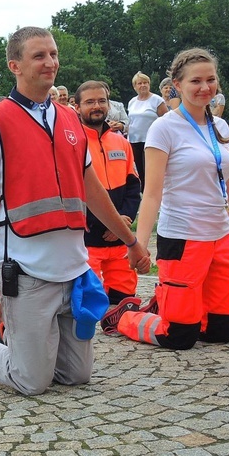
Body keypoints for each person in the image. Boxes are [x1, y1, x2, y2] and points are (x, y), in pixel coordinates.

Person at [0, 27, 150, 396]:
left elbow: (92, 190)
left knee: (76, 375)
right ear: (15, 65)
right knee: (31, 380)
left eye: (54, 54)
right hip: (26, 272)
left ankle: (16, 337)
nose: (51, 62)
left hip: (74, 271)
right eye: (39, 56)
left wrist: (131, 241)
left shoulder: (69, 118)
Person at [101, 48, 229, 349]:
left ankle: (170, 303)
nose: (205, 87)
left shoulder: (220, 127)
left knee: (220, 332)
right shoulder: (164, 128)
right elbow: (153, 194)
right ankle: (126, 316)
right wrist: (138, 245)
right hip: (183, 238)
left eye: (211, 80)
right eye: (196, 81)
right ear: (177, 85)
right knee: (179, 336)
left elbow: (228, 191)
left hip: (220, 236)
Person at [75, 81, 141, 304]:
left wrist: (124, 219)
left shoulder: (121, 142)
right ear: (77, 107)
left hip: (119, 242)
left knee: (125, 301)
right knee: (90, 304)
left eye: (102, 101)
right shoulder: (73, 144)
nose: (97, 106)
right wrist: (111, 223)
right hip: (87, 240)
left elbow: (133, 187)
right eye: (90, 102)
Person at [128, 71, 168, 191]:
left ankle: (152, 194)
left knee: (149, 170)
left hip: (151, 140)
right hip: (134, 140)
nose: (143, 85)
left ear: (149, 84)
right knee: (138, 171)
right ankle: (142, 195)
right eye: (139, 83)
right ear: (135, 86)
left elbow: (166, 120)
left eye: (145, 82)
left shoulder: (156, 100)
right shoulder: (132, 102)